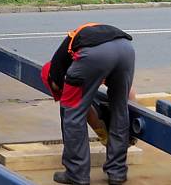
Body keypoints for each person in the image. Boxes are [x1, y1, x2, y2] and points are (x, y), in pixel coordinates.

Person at [40, 23, 135, 185]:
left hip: (95, 53)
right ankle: (117, 172)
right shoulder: (76, 44)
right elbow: (130, 94)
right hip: (126, 49)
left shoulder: (56, 68)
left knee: (71, 112)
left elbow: (65, 94)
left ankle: (77, 174)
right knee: (120, 109)